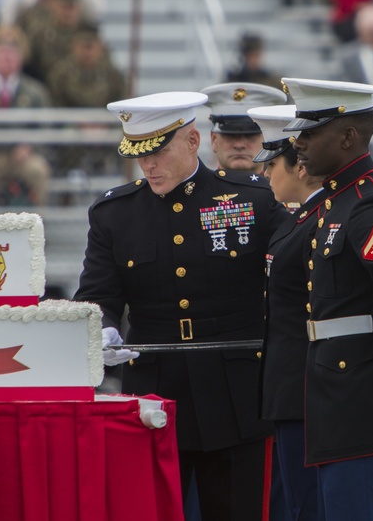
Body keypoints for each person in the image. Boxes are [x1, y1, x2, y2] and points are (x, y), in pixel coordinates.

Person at [73, 91, 286, 520]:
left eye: (158, 151)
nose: (147, 165)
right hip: (155, 393)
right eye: (138, 154)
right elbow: (98, 294)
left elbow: (297, 272)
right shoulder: (115, 213)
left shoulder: (251, 199)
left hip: (236, 394)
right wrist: (103, 328)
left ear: (192, 141)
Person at [283, 77, 373, 520]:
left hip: (361, 397)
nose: (298, 142)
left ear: (347, 136)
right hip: (337, 394)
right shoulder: (337, 201)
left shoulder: (367, 204)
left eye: (310, 132)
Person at [249, 104, 326, 521]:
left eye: (272, 163)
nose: (263, 174)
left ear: (298, 166)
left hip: (308, 388)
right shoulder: (291, 223)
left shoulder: (320, 222)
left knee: (310, 505)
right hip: (289, 387)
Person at [201, 82, 288, 173]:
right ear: (214, 140)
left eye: (249, 136)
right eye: (230, 136)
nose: (239, 145)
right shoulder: (199, 187)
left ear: (267, 139)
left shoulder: (284, 187)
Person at [46, 22, 126, 107]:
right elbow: (56, 105)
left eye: (91, 47)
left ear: (100, 47)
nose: (87, 52)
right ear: (73, 46)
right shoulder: (60, 75)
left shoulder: (113, 76)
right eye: (82, 46)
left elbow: (122, 106)